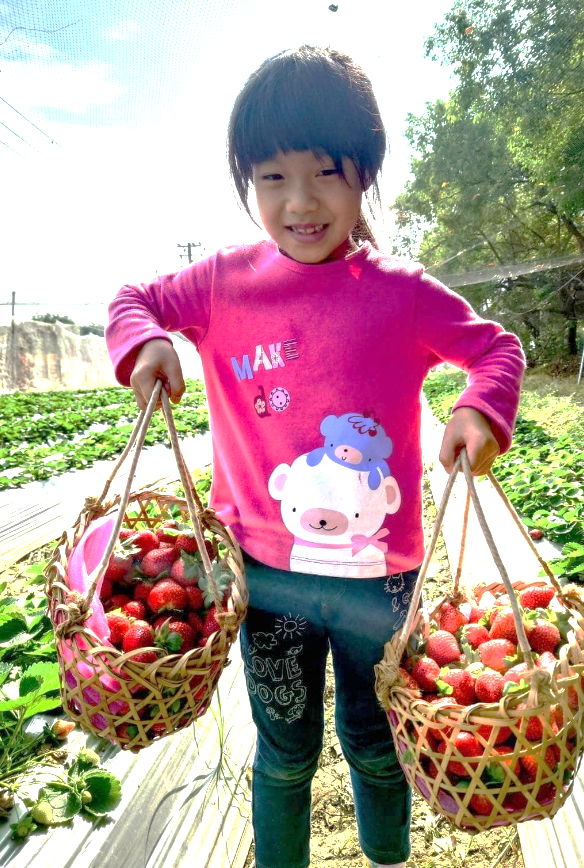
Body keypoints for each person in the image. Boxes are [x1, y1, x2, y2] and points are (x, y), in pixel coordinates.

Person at [106, 45, 525, 868]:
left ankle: (386, 853)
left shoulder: (402, 292)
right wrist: (147, 341)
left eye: (326, 173)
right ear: (246, 181)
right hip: (267, 576)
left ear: (363, 174)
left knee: (377, 737)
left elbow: (497, 350)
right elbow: (133, 299)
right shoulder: (222, 284)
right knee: (285, 747)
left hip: (383, 579)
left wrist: (479, 408)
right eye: (271, 177)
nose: (300, 202)